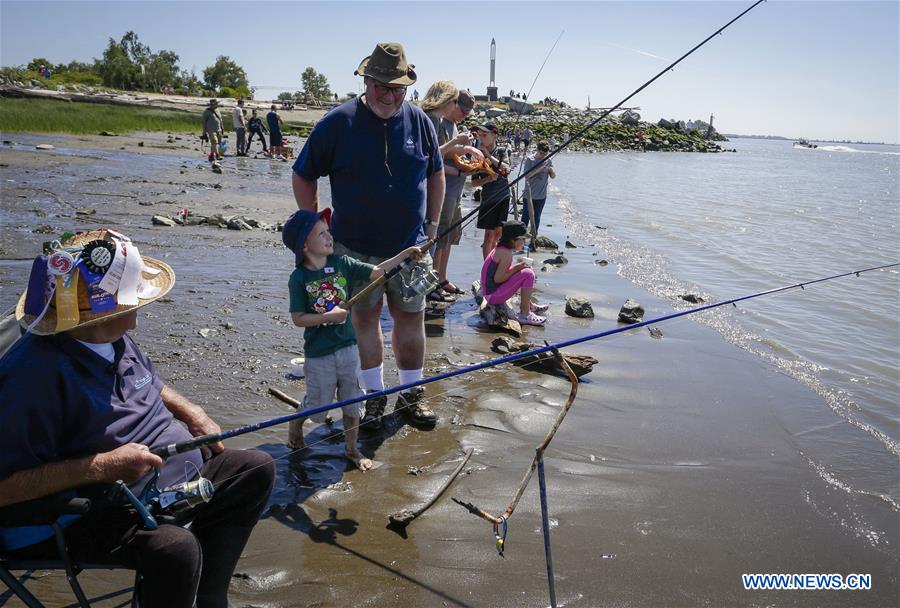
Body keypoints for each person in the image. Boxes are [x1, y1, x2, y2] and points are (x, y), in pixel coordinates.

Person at [0, 229, 275, 608]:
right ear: (102, 313)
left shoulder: (109, 335)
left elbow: (148, 382)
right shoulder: (32, 378)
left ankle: (210, 599)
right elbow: (6, 488)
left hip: (160, 483)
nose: (138, 312)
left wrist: (190, 411)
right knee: (174, 549)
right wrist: (102, 467)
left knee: (254, 468)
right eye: (132, 301)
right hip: (75, 514)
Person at [291, 42, 444, 430]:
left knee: (411, 319)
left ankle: (411, 393)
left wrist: (432, 226)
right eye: (382, 88)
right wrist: (315, 227)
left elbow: (436, 174)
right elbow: (303, 174)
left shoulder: (420, 122)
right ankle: (373, 397)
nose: (390, 97)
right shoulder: (336, 123)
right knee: (364, 321)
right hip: (354, 249)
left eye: (398, 90)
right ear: (366, 81)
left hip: (411, 247)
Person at [282, 210, 422, 467]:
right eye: (321, 234)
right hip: (319, 353)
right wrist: (328, 317)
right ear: (304, 245)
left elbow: (378, 272)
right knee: (317, 406)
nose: (329, 237)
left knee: (353, 402)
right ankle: (296, 423)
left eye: (328, 231)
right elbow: (298, 318)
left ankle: (352, 449)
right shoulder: (299, 278)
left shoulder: (342, 262)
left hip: (348, 347)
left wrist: (404, 255)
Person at [421, 83, 478, 302]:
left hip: (455, 190)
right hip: (442, 191)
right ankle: (432, 282)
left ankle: (442, 278)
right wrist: (459, 169)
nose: (464, 115)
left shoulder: (452, 125)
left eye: (467, 113)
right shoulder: (436, 122)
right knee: (437, 237)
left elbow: (448, 153)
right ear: (450, 103)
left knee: (449, 237)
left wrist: (467, 150)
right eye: (462, 110)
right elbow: (432, 159)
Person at [480, 220, 548, 326]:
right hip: (493, 296)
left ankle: (529, 305)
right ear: (513, 240)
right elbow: (498, 279)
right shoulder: (506, 254)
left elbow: (499, 275)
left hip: (489, 292)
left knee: (525, 271)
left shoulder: (500, 249)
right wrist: (517, 267)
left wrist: (518, 268)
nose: (524, 242)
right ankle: (525, 314)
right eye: (523, 239)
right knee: (528, 274)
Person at [471, 122, 511, 259]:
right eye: (479, 135)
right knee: (488, 235)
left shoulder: (502, 151)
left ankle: (495, 262)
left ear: (494, 136)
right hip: (488, 198)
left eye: (484, 135)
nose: (481, 138)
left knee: (498, 234)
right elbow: (474, 182)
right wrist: (488, 179)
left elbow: (506, 169)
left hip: (503, 197)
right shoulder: (477, 155)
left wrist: (488, 155)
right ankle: (487, 266)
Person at [521, 141, 557, 233]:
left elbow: (553, 176)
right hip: (529, 195)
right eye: (541, 153)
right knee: (525, 217)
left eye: (545, 154)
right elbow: (527, 176)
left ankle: (534, 236)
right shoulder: (530, 159)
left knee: (536, 217)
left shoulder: (548, 160)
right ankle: (521, 237)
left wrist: (550, 169)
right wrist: (540, 169)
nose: (543, 156)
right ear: (537, 150)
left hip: (541, 195)